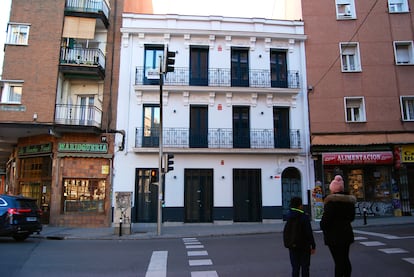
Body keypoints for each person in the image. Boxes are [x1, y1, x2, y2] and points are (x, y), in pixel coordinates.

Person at [320, 175, 356, 277]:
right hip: (346, 234)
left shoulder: (331, 203)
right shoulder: (349, 203)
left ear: (333, 189)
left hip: (334, 237)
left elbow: (325, 221)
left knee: (338, 261)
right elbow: (351, 218)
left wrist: (323, 226)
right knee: (345, 258)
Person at [283, 196, 316, 277]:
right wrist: (313, 245)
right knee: (305, 267)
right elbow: (309, 232)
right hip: (304, 245)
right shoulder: (304, 216)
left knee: (295, 267)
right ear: (300, 205)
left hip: (292, 244)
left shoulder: (288, 216)